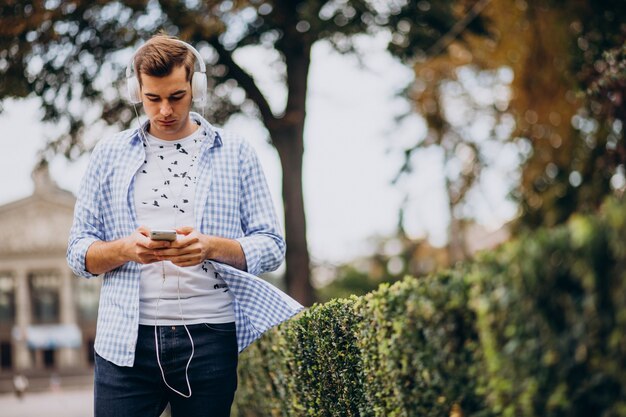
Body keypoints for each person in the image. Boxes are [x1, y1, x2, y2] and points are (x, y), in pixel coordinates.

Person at [67, 34, 303, 417]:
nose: (164, 110)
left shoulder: (237, 152)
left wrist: (210, 247)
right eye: (153, 98)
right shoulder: (107, 155)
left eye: (176, 97)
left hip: (210, 335)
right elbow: (78, 252)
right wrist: (125, 249)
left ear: (196, 87)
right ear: (136, 91)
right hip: (124, 340)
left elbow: (272, 245)